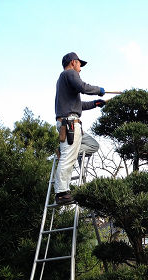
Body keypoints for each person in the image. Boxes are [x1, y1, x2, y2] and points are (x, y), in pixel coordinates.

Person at [54, 52, 105, 205]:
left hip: (73, 123)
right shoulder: (69, 73)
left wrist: (96, 103)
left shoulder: (64, 82)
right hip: (69, 124)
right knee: (67, 158)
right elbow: (82, 87)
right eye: (79, 65)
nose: (80, 69)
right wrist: (98, 89)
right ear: (73, 62)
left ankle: (65, 150)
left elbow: (79, 105)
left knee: (93, 145)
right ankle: (61, 193)